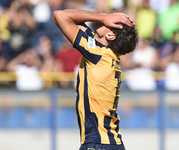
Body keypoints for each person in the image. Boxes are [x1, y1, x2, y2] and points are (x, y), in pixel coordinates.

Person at [53, 9, 138, 150]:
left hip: (98, 143)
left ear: (110, 35)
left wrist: (101, 18)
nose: (107, 18)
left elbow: (60, 15)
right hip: (109, 142)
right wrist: (104, 18)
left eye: (111, 22)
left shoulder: (98, 53)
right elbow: (66, 18)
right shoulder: (104, 52)